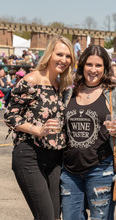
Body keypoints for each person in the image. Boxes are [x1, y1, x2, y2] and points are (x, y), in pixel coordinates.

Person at [61, 45, 116, 220]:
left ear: (105, 68)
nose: (93, 70)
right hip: (69, 171)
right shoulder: (69, 93)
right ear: (82, 66)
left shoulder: (113, 94)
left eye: (99, 65)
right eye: (89, 64)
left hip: (101, 170)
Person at [4, 35, 76, 220]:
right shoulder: (31, 80)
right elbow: (10, 115)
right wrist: (37, 130)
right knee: (46, 216)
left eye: (68, 56)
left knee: (54, 215)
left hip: (55, 158)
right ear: (49, 54)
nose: (64, 60)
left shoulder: (62, 86)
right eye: (59, 54)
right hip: (30, 154)